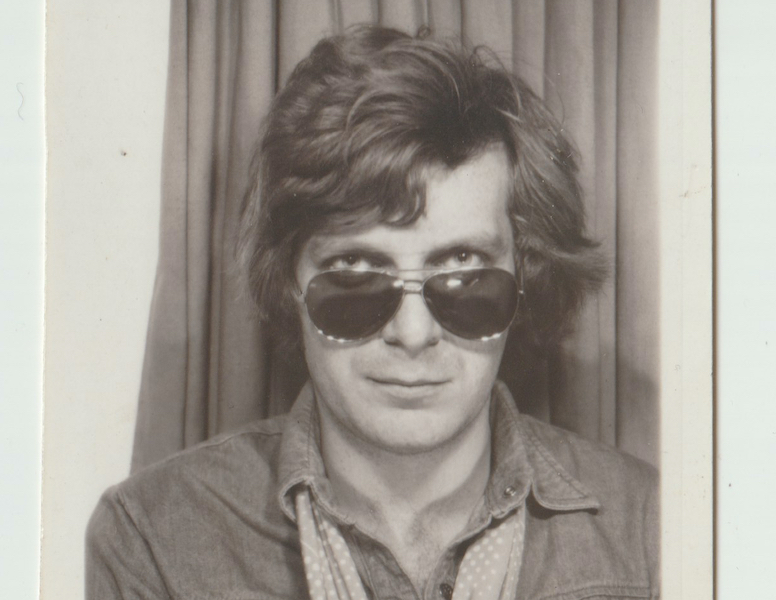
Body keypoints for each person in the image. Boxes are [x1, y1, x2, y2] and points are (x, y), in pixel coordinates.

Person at [86, 26, 658, 600]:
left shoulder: (651, 531)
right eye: (356, 270)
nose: (413, 333)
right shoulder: (152, 543)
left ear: (526, 276)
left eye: (462, 267)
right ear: (288, 283)